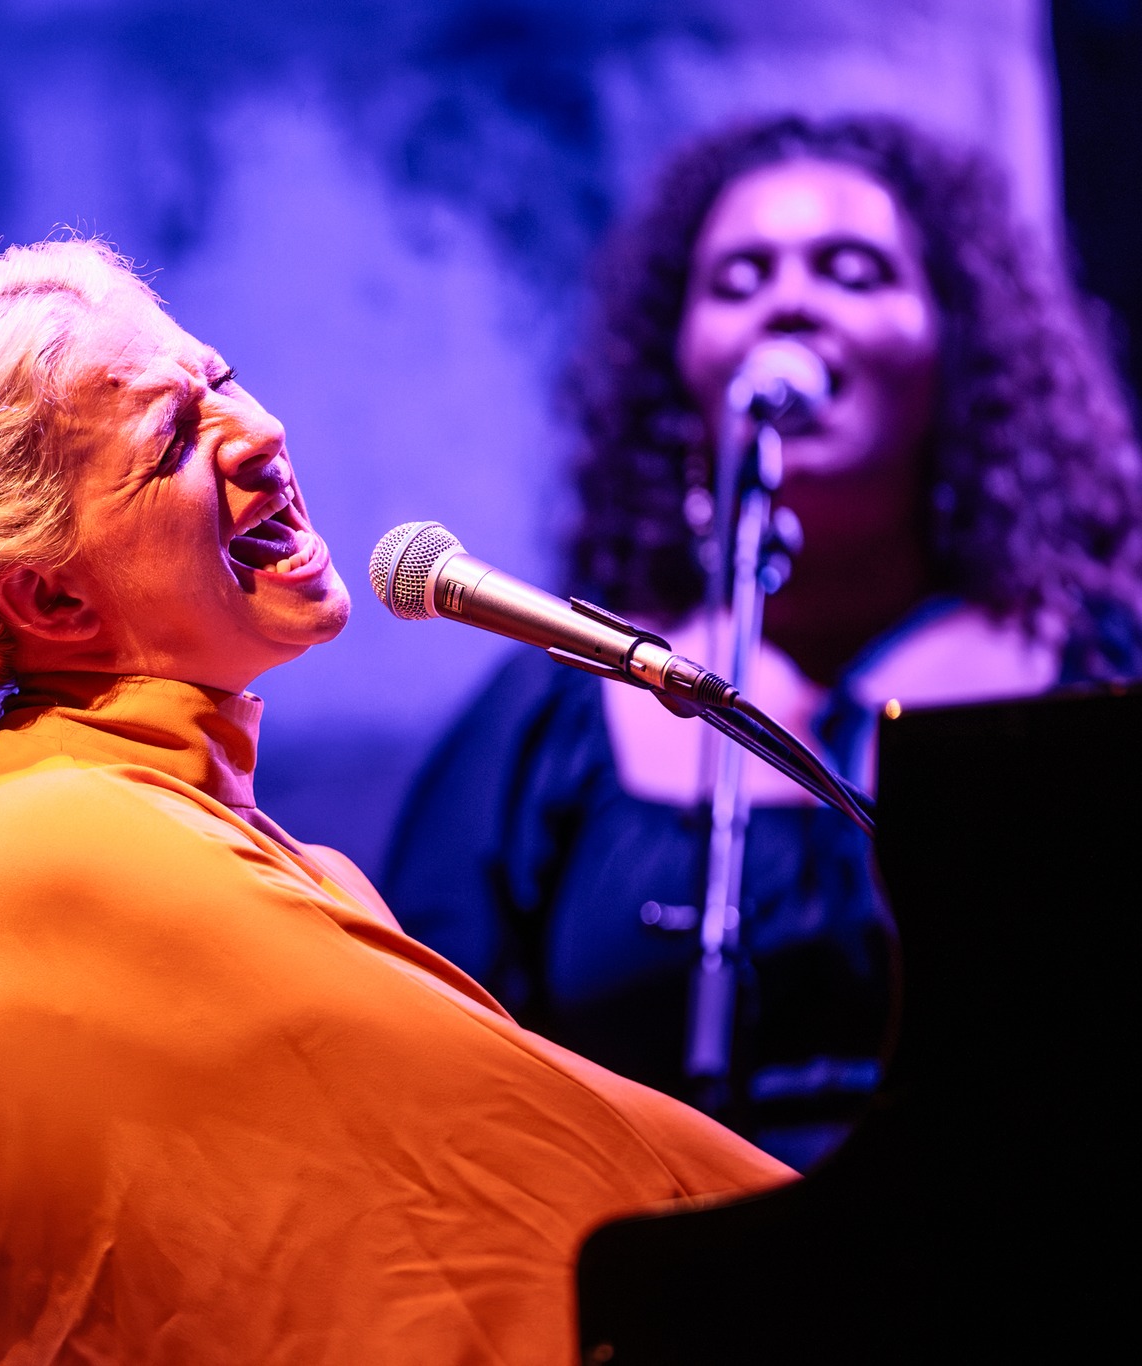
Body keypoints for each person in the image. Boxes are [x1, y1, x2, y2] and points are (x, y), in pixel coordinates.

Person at [0, 238, 790, 1366]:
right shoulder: (46, 845)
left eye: (220, 379)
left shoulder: (200, 833)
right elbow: (539, 1160)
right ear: (52, 600)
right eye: (174, 438)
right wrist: (881, 1254)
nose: (259, 431)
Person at [383, 114, 1142, 1171]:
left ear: (951, 340)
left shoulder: (1099, 670)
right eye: (739, 280)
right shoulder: (555, 711)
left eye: (852, 271)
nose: (789, 304)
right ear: (682, 360)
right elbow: (428, 1071)